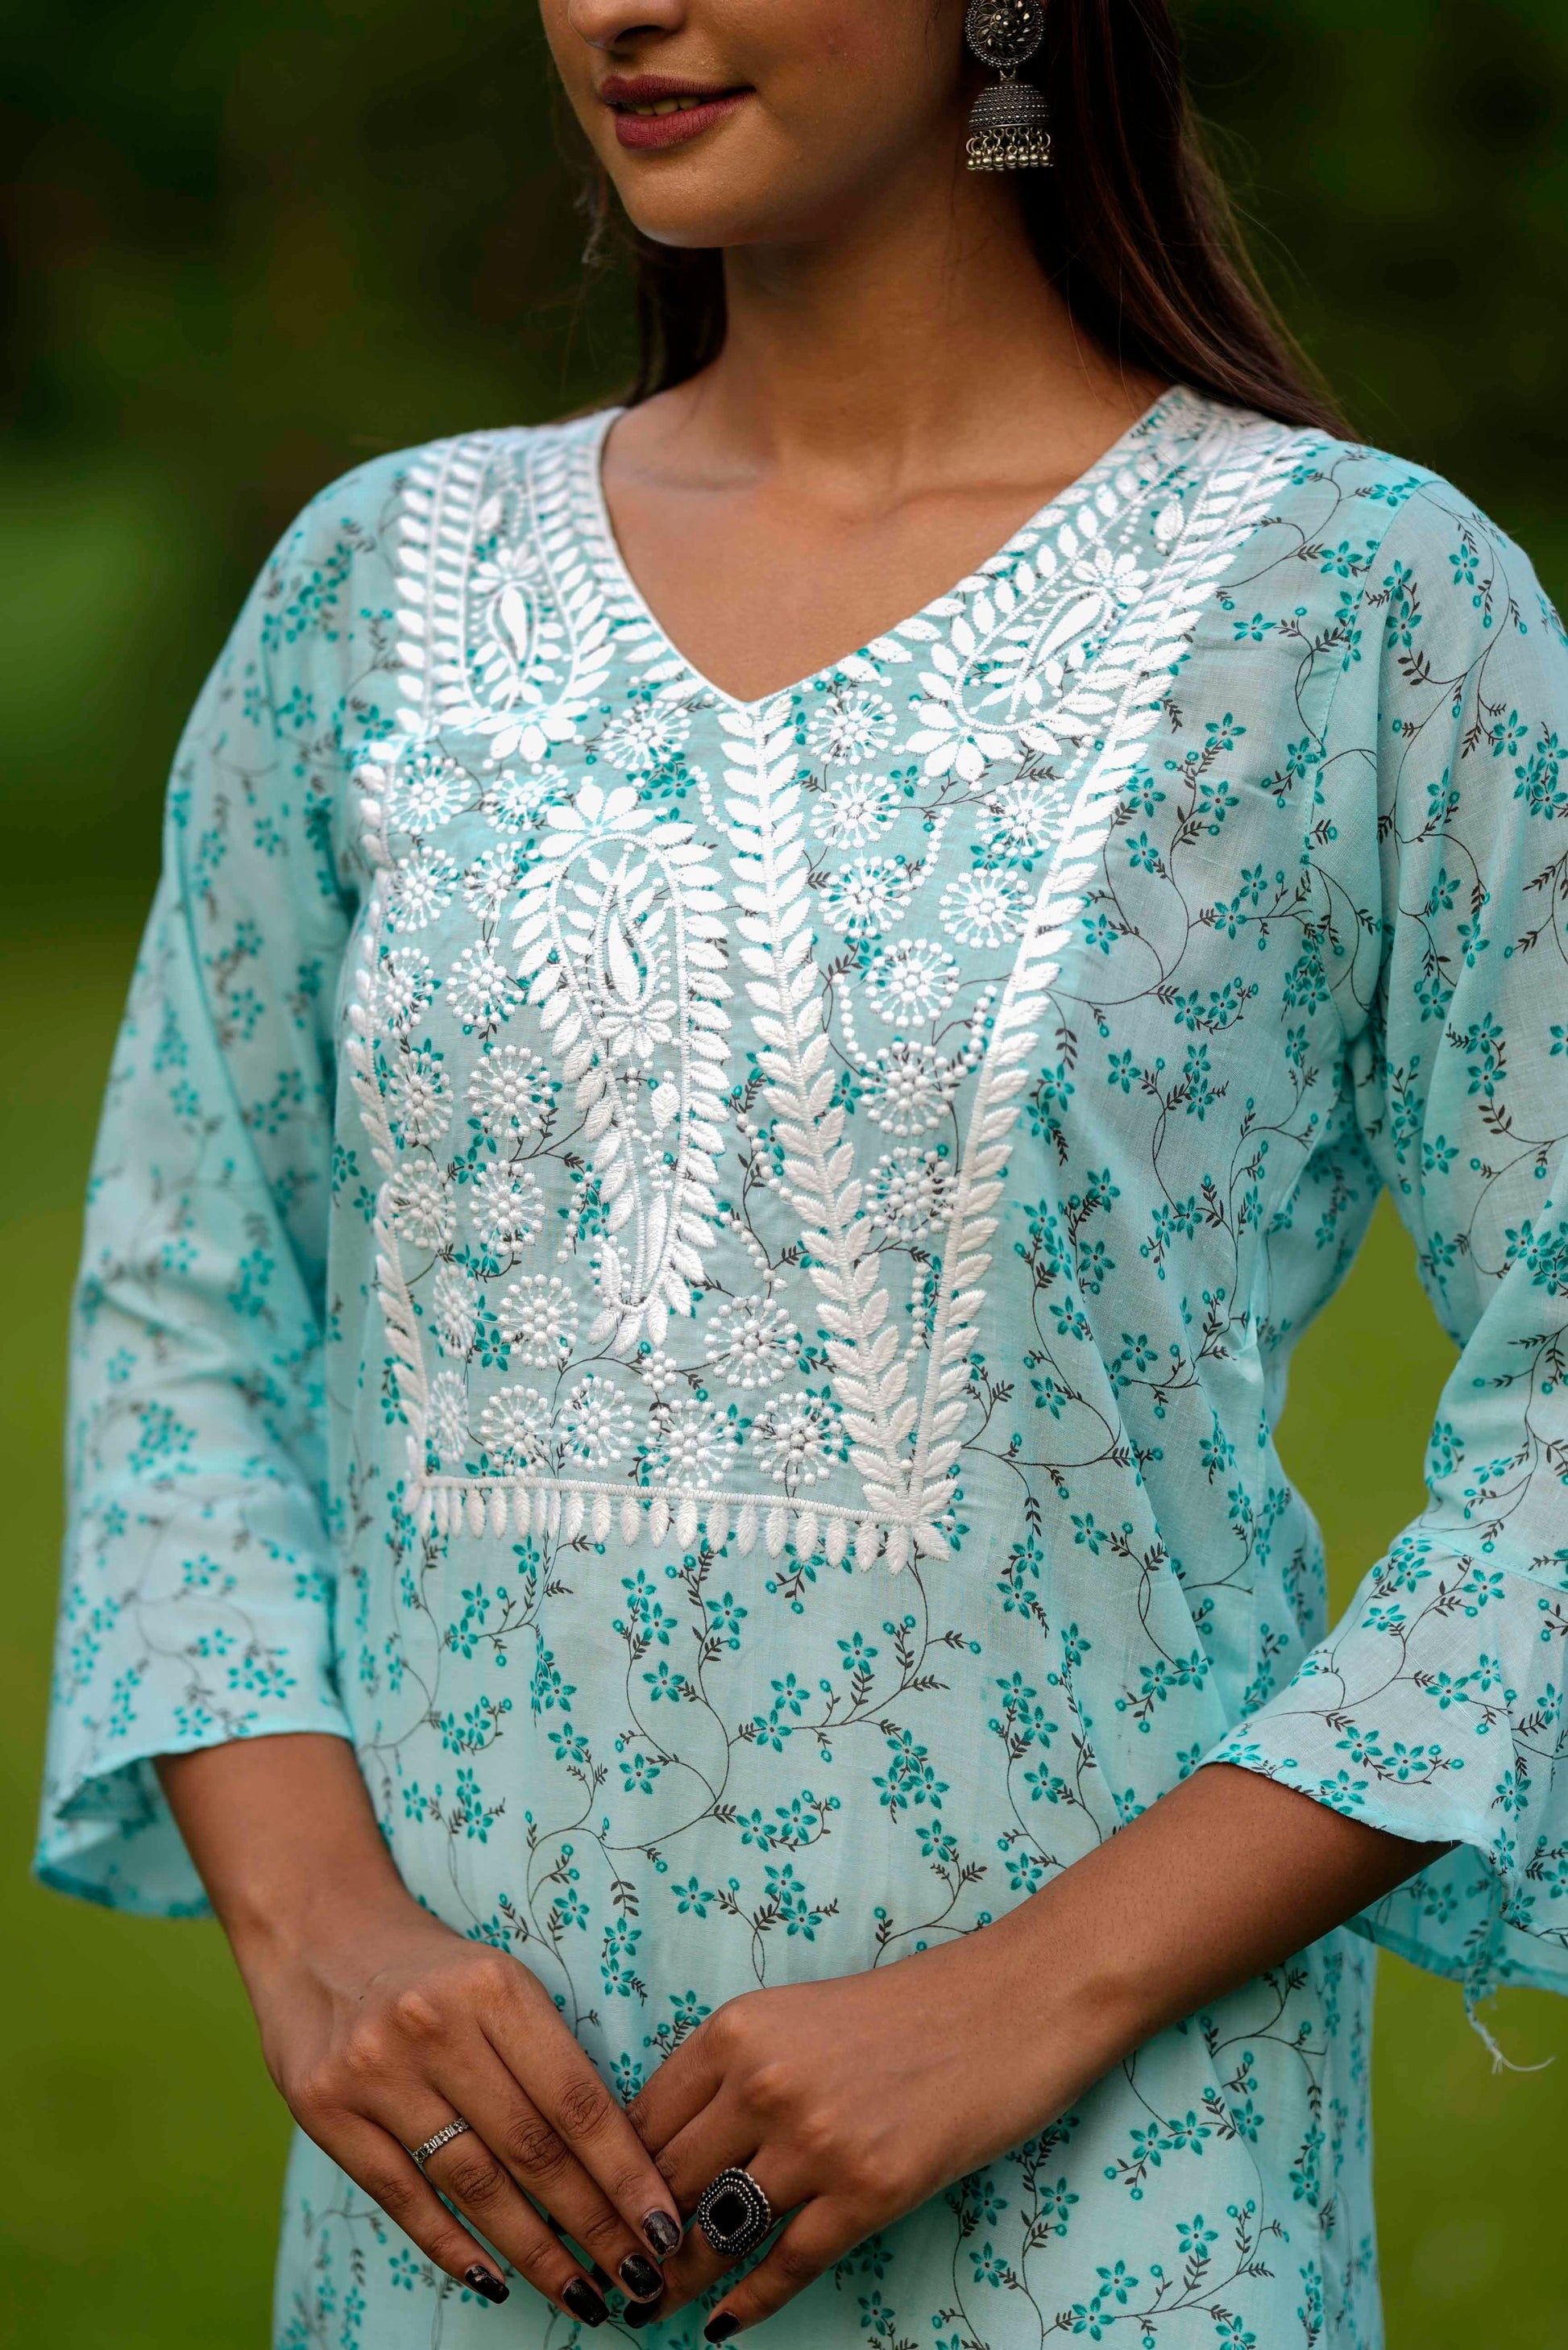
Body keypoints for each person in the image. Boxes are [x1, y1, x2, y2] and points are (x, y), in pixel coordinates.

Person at [36, 1, 1568, 2344]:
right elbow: (182, 1301)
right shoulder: (374, 593)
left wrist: (1027, 2000)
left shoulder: (1360, 613)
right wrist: (318, 1927)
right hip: (459, 2221)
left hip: (1108, 2211)